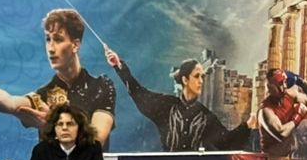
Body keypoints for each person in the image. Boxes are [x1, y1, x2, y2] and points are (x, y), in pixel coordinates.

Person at [0, 8, 117, 151]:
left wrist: (53, 126)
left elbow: (96, 141)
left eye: (58, 39)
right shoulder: (44, 95)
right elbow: (11, 103)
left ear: (75, 45)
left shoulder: (101, 86)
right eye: (48, 39)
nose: (51, 48)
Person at [104, 49, 253, 152]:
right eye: (197, 76)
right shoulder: (166, 106)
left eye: (202, 76)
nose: (201, 81)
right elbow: (138, 93)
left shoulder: (205, 116)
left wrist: (247, 126)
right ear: (185, 80)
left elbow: (226, 142)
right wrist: (119, 66)